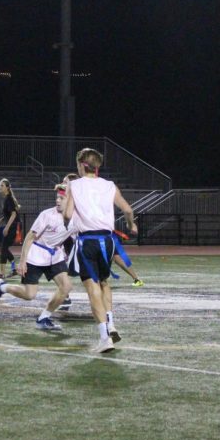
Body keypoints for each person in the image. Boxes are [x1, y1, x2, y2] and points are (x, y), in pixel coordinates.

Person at [64, 148, 137, 353]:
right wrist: (132, 226)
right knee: (104, 282)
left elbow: (68, 213)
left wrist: (66, 219)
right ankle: (111, 322)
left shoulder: (74, 185)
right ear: (97, 167)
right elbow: (128, 210)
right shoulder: (109, 185)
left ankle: (105, 337)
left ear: (81, 165)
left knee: (92, 288)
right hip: (108, 240)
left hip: (87, 241)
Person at [0, 184, 73, 331]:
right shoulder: (47, 215)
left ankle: (43, 318)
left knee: (66, 287)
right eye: (57, 197)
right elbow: (29, 237)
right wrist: (22, 262)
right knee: (29, 295)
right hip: (36, 255)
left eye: (62, 198)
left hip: (55, 255)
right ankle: (2, 287)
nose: (58, 201)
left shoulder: (76, 217)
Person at [0, 178, 20, 279]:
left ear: (7, 188)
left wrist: (7, 227)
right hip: (11, 226)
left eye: (2, 185)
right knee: (4, 248)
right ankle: (14, 269)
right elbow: (8, 214)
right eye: (0, 185)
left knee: (3, 248)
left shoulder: (9, 199)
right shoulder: (7, 199)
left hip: (13, 227)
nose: (0, 187)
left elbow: (13, 214)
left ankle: (2, 273)